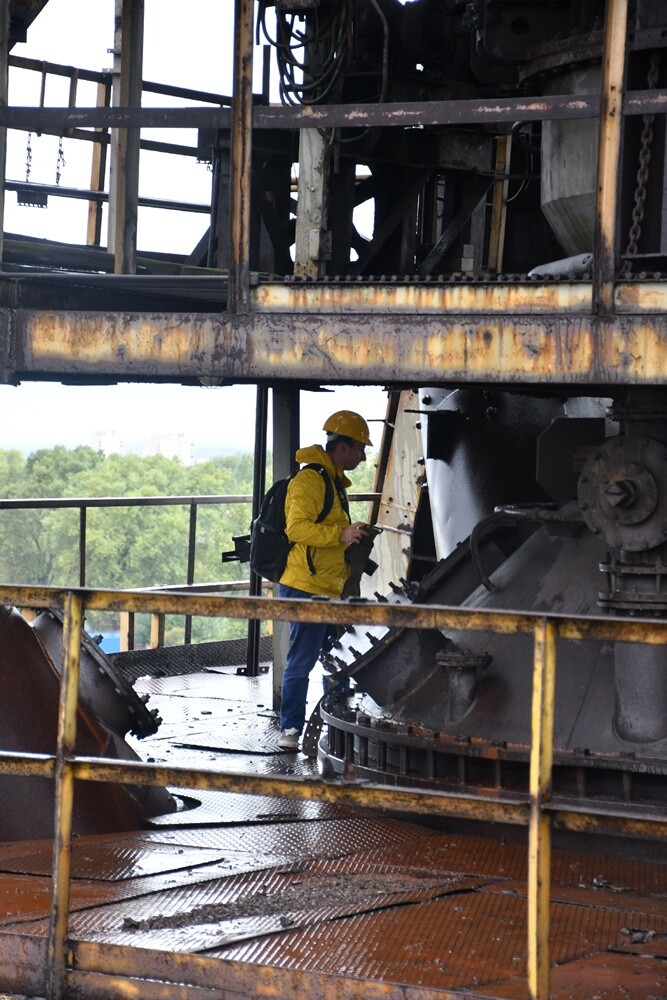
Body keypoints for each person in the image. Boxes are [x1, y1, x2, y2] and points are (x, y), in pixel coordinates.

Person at [277, 409, 373, 751]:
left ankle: (337, 726)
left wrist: (346, 534)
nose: (363, 456)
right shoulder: (311, 480)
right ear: (342, 447)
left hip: (326, 587)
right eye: (360, 448)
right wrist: (341, 534)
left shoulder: (331, 481)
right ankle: (290, 730)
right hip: (306, 586)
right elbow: (296, 528)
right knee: (302, 660)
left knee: (338, 657)